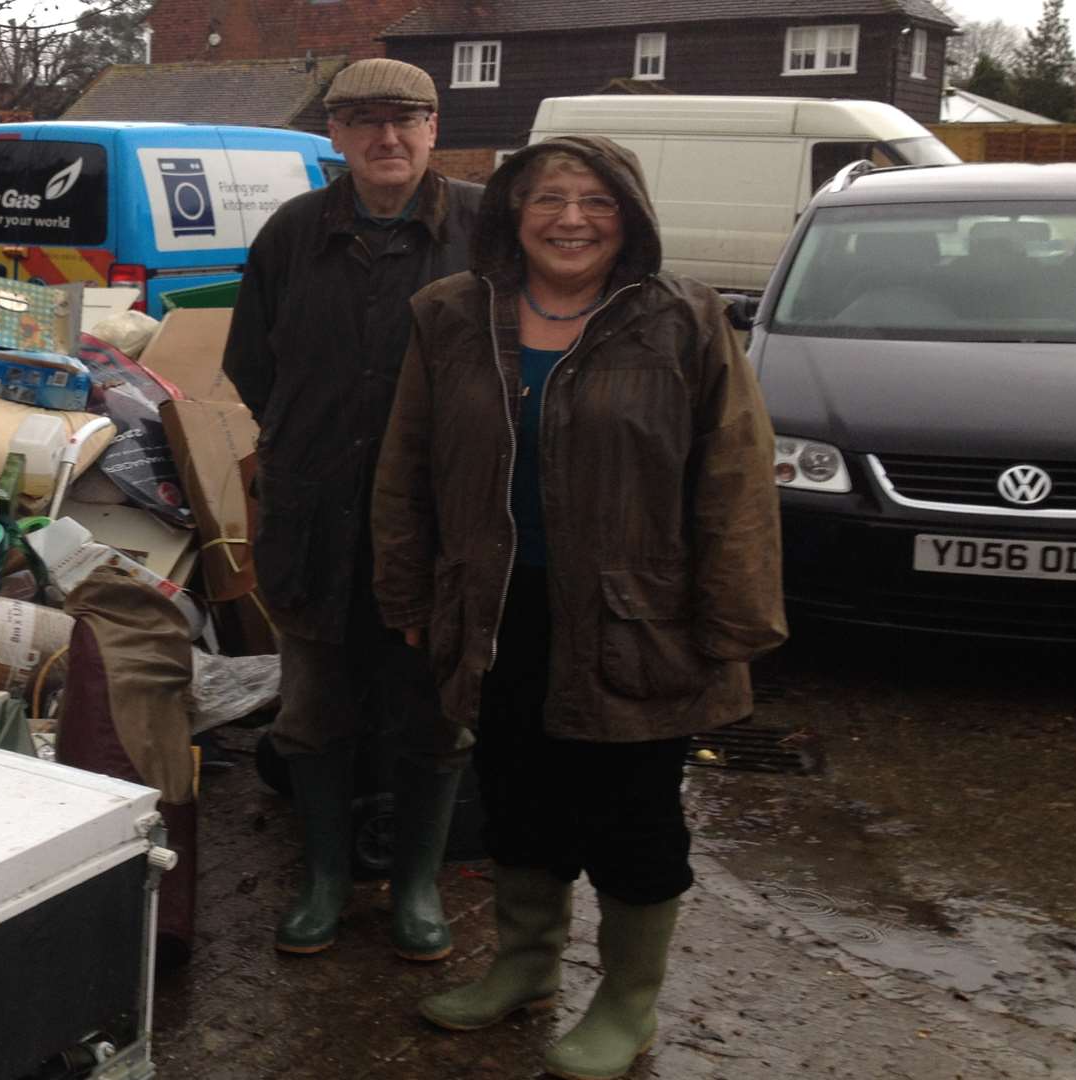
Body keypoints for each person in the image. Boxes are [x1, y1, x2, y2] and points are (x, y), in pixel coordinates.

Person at [370, 137, 785, 1079]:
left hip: (640, 616)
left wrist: (731, 622)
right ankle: (524, 965)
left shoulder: (683, 319)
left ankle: (628, 1001)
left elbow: (735, 477)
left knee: (632, 815)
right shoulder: (449, 315)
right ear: (513, 214)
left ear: (629, 216)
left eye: (595, 200)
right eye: (548, 198)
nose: (570, 218)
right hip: (497, 608)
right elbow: (406, 469)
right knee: (517, 795)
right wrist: (405, 590)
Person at [223, 58, 483, 961]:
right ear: (334, 135)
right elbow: (252, 364)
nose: (388, 138)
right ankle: (326, 879)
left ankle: (415, 885)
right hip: (316, 517)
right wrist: (312, 440)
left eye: (406, 119)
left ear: (434, 128)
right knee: (314, 712)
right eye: (365, 121)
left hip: (442, 524)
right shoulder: (293, 234)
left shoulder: (484, 229)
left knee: (434, 715)